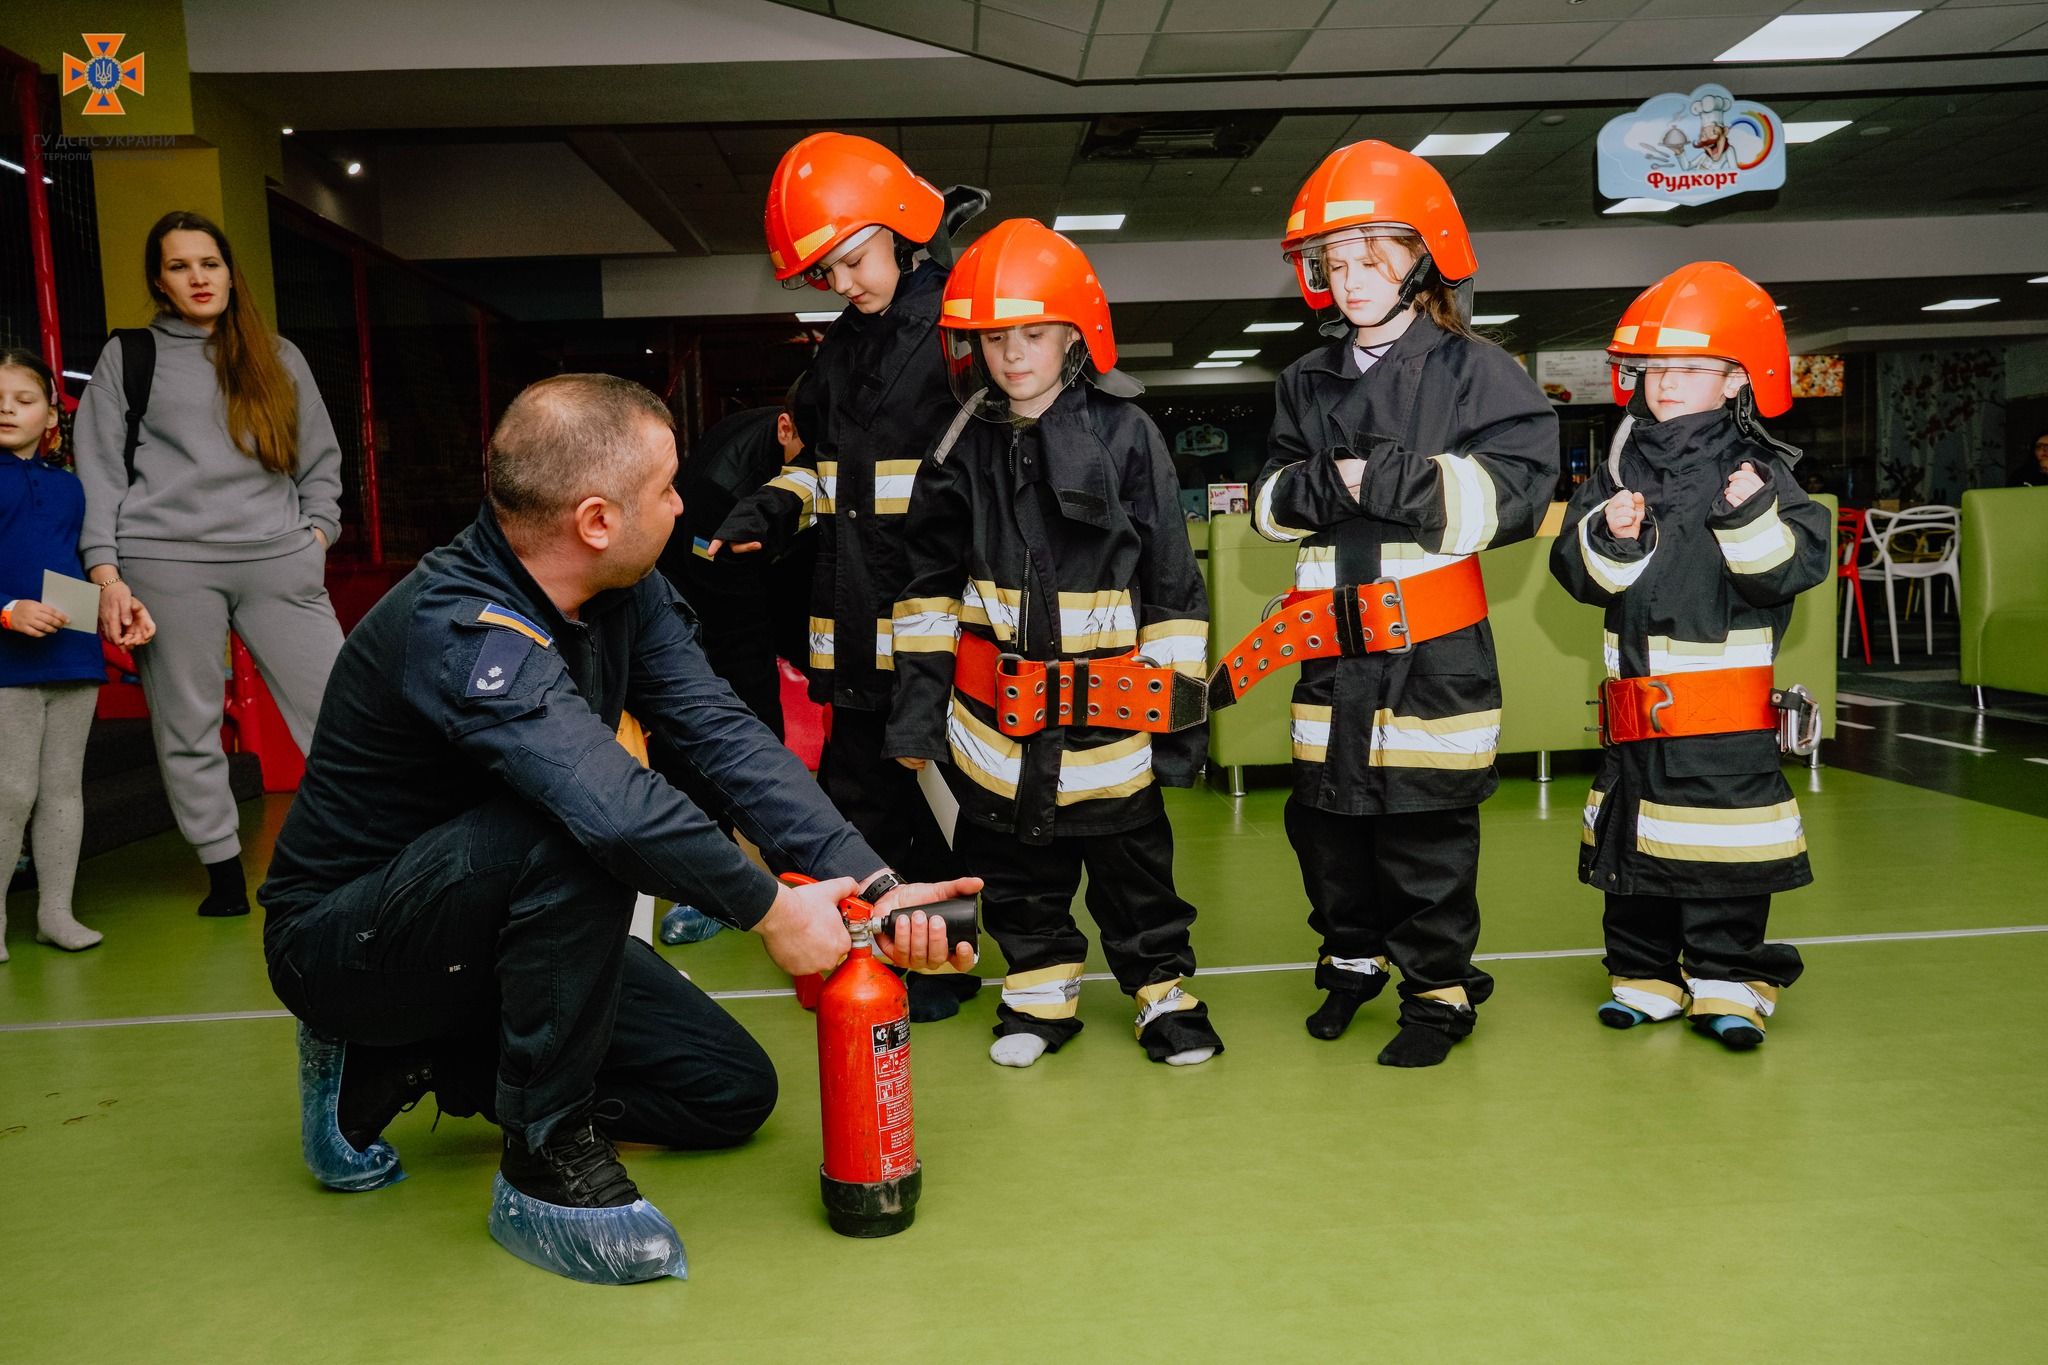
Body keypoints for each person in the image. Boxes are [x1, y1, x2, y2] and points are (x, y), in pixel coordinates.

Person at [258, 372, 979, 1285]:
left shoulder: (620, 591)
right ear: (595, 518)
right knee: (575, 825)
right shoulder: (459, 625)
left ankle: (434, 1056)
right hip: (351, 940)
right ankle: (542, 1165)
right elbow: (607, 802)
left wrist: (875, 887)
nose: (684, 505)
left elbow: (722, 735)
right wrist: (768, 909)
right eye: (668, 488)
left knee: (726, 1092)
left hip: (496, 920)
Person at [1248, 141, 1558, 1067]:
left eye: (1371, 255)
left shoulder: (1480, 372)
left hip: (1434, 659)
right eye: (1333, 262)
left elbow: (1519, 493)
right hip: (1328, 655)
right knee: (1329, 827)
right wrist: (1316, 488)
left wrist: (1383, 475)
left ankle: (1438, 993)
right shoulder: (1304, 380)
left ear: (1422, 255)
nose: (1349, 279)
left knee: (1424, 834)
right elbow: (1267, 501)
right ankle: (1350, 965)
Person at [885, 219, 1222, 1069]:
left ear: (1076, 332)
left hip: (1112, 729)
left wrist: (1182, 727)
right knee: (1014, 871)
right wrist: (919, 719)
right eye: (995, 337)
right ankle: (1038, 992)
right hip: (996, 730)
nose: (1011, 354)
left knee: (1133, 872)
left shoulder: (1127, 433)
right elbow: (924, 592)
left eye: (1032, 333)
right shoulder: (958, 444)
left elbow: (1174, 589)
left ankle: (1164, 997)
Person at [709, 133, 988, 1023]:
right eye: (825, 273)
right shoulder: (840, 353)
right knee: (866, 795)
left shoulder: (963, 330)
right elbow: (828, 469)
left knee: (967, 794)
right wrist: (772, 506)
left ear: (903, 228)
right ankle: (929, 954)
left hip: (943, 616)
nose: (844, 286)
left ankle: (987, 951)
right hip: (859, 617)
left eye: (853, 260)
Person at [1549, 261, 1830, 1050]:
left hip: (1726, 721)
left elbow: (1788, 572)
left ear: (1738, 377)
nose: (1665, 383)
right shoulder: (1614, 468)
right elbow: (1578, 575)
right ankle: (1642, 975)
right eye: (1651, 367)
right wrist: (1614, 536)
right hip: (1634, 714)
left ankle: (1730, 979)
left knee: (1726, 855)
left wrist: (1749, 518)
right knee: (1631, 846)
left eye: (1688, 368)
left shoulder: (1762, 471)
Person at [72, 210, 347, 918]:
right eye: (179, 266)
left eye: (210, 263)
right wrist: (107, 574)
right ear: (159, 282)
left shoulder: (277, 355)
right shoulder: (129, 357)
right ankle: (225, 871)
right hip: (165, 562)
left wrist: (316, 533)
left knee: (344, 712)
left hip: (279, 559)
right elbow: (98, 471)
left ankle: (358, 851)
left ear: (230, 272)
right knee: (186, 722)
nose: (198, 277)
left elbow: (320, 457)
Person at [1, 348, 155, 960]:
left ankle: (55, 914)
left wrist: (113, 613)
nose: (6, 409)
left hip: (72, 652)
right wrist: (8, 610)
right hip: (6, 657)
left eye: (23, 398)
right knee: (10, 790)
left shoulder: (71, 489)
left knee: (63, 787)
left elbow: (79, 568)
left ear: (50, 417)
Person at [652, 404, 804, 946]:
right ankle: (712, 887)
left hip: (770, 581)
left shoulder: (799, 431)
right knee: (727, 737)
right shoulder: (722, 483)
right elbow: (729, 603)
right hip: (708, 600)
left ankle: (800, 868)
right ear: (785, 428)